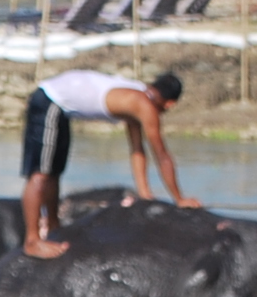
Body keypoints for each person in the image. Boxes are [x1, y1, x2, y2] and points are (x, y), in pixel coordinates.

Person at [19, 68, 197, 259]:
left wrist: (145, 193)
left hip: (60, 105)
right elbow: (162, 155)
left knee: (54, 172)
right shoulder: (144, 104)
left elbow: (138, 150)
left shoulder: (137, 95)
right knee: (41, 173)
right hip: (51, 99)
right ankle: (32, 240)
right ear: (170, 104)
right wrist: (180, 199)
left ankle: (53, 227)